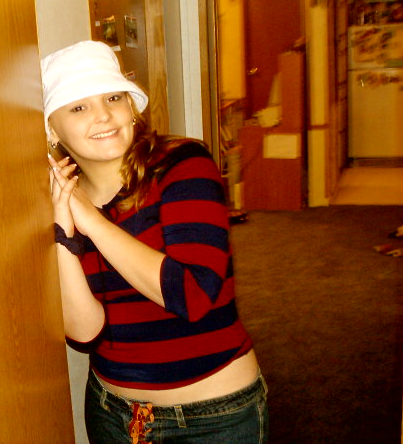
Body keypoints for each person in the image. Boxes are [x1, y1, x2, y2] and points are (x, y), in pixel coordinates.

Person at [41, 40, 268, 444]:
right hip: (113, 413)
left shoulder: (184, 165)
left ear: (131, 107)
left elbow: (193, 295)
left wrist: (92, 222)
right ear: (52, 128)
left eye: (113, 98)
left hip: (213, 417)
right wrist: (63, 230)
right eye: (79, 107)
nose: (104, 115)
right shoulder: (59, 200)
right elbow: (84, 334)